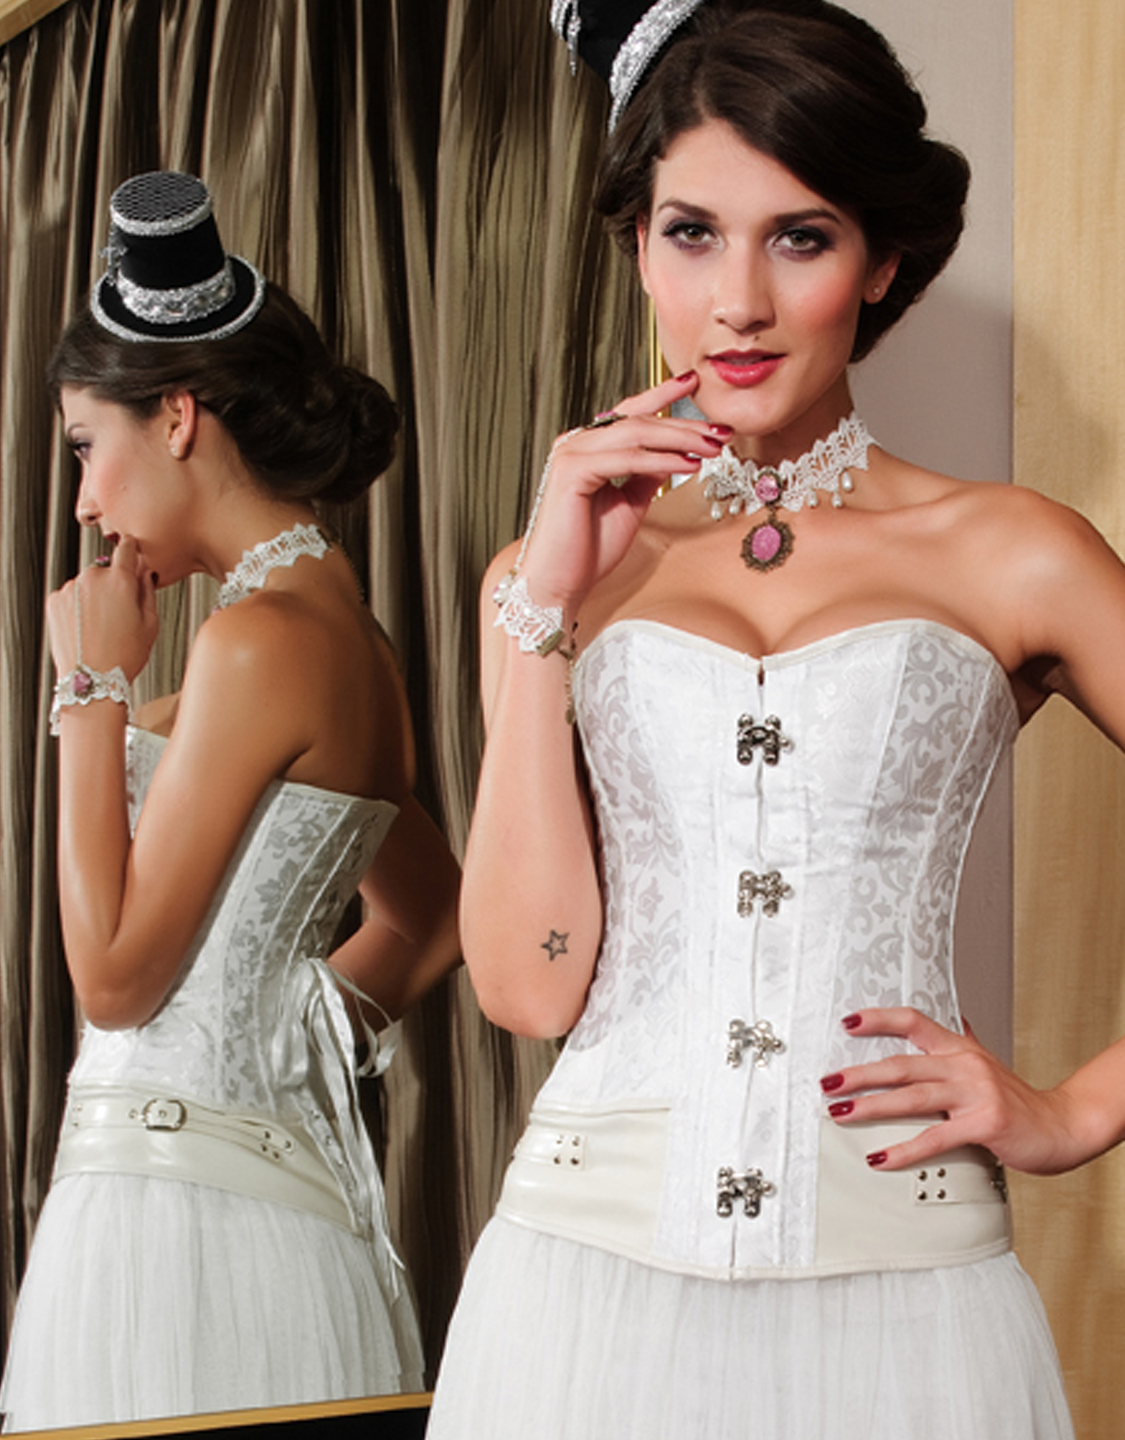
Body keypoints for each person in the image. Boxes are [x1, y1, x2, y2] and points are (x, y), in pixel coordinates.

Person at [428, 3, 1125, 1435]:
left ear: (881, 261)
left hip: (907, 1287)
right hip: (578, 1290)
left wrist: (1075, 1112)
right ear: (638, 246)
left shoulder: (1013, 552)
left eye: (799, 238)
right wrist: (542, 607)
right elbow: (528, 990)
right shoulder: (545, 576)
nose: (736, 299)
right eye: (692, 233)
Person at [0, 172, 459, 1432]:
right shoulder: (343, 641)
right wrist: (282, 1049)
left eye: (85, 447)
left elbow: (113, 982)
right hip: (248, 1192)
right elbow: (431, 913)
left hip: (177, 1221)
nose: (84, 502)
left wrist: (91, 689)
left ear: (178, 416)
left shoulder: (256, 645)